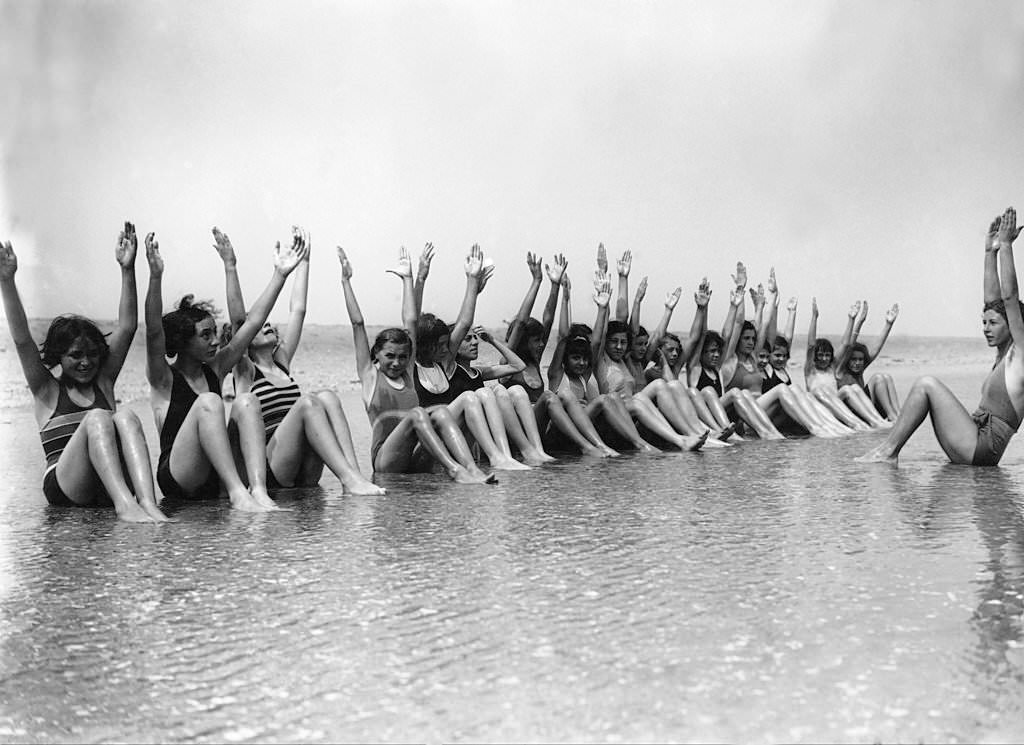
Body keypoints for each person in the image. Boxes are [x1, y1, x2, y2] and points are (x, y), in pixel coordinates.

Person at [0, 225, 166, 522]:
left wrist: (127, 269)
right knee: (99, 417)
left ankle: (148, 503)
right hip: (66, 487)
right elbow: (23, 339)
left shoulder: (103, 381)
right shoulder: (46, 390)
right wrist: (6, 281)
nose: (86, 362)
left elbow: (127, 327)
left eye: (91, 354)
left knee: (125, 415)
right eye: (75, 355)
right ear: (59, 357)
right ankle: (126, 507)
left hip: (106, 486)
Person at [145, 229, 307, 511]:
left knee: (246, 401)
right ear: (183, 341)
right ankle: (237, 494)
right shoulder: (164, 379)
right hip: (180, 476)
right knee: (208, 402)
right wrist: (156, 277)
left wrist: (277, 275)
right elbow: (153, 332)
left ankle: (258, 490)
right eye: (205, 336)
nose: (216, 340)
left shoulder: (215, 369)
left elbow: (252, 322)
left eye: (214, 333)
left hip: (214, 476)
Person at [214, 227, 383, 495]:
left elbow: (298, 310)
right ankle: (351, 480)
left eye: (268, 323)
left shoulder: (281, 361)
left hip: (303, 466)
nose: (266, 324)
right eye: (258, 326)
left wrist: (304, 260)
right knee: (307, 403)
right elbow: (238, 321)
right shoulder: (245, 370)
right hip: (271, 467)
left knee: (327, 396)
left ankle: (353, 477)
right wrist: (230, 267)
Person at [859, 208, 1024, 465]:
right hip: (973, 436)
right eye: (983, 323)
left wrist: (1006, 246)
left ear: (1013, 326)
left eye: (993, 323)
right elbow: (993, 300)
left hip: (982, 447)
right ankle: (888, 451)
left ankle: (887, 453)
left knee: (926, 384)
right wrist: (989, 252)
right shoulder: (1003, 353)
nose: (985, 328)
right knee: (926, 386)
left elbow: (1009, 298)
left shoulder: (1020, 352)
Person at [339, 245, 496, 484]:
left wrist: (408, 278)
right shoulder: (370, 375)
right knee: (417, 414)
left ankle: (472, 469)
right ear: (377, 356)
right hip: (386, 460)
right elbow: (358, 323)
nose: (397, 362)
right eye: (389, 356)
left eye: (403, 357)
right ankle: (456, 471)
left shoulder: (407, 375)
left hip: (413, 455)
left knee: (441, 411)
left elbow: (410, 321)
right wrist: (346, 281)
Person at [805, 298, 891, 430]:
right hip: (820, 409)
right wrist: (814, 317)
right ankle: (870, 423)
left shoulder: (831, 368)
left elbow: (846, 344)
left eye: (827, 355)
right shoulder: (810, 371)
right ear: (815, 357)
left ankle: (876, 421)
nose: (824, 358)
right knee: (845, 389)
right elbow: (811, 345)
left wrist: (851, 319)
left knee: (853, 388)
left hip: (837, 406)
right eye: (820, 355)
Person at [836, 301, 901, 420]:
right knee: (877, 378)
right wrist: (859, 321)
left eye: (860, 360)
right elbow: (849, 345)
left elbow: (876, 349)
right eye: (854, 359)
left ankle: (898, 415)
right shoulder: (840, 371)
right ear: (847, 360)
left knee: (885, 377)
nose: (858, 363)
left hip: (868, 410)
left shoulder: (859, 371)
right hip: (852, 413)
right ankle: (893, 417)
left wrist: (888, 324)